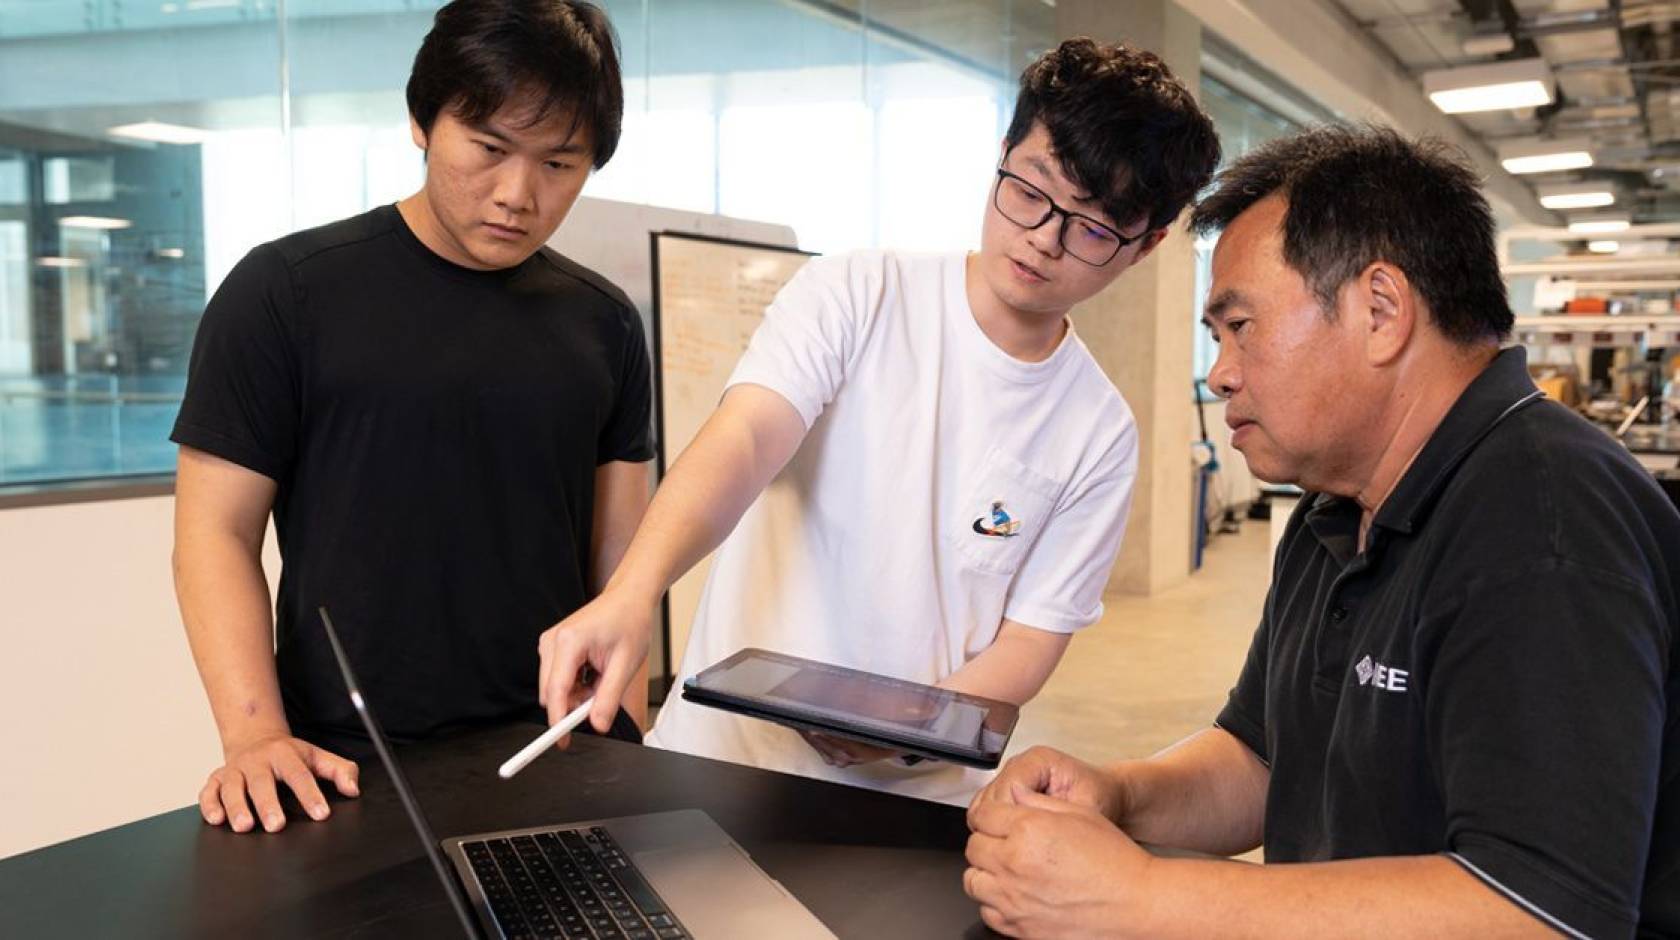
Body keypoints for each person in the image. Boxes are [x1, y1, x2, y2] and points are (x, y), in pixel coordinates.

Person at [962, 124, 1679, 938]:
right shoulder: (1334, 510)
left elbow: (1540, 911)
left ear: (1380, 312)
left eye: (1242, 327)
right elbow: (1263, 759)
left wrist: (1140, 899)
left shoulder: (1545, 521)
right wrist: (1120, 797)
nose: (1221, 371)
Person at [537, 38, 1221, 804]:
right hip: (720, 765)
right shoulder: (857, 293)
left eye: (1093, 229)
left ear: (1148, 245)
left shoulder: (1098, 432)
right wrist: (634, 591)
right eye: (1031, 192)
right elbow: (746, 438)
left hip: (915, 803)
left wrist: (903, 726)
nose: (1043, 238)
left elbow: (1030, 641)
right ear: (1003, 153)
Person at [171, 0, 653, 835]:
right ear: (422, 121)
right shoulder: (285, 293)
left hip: (547, 754)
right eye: (490, 148)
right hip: (337, 768)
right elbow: (214, 532)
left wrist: (619, 711)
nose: (518, 195)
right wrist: (253, 735)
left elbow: (620, 558)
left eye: (559, 164)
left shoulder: (603, 323)